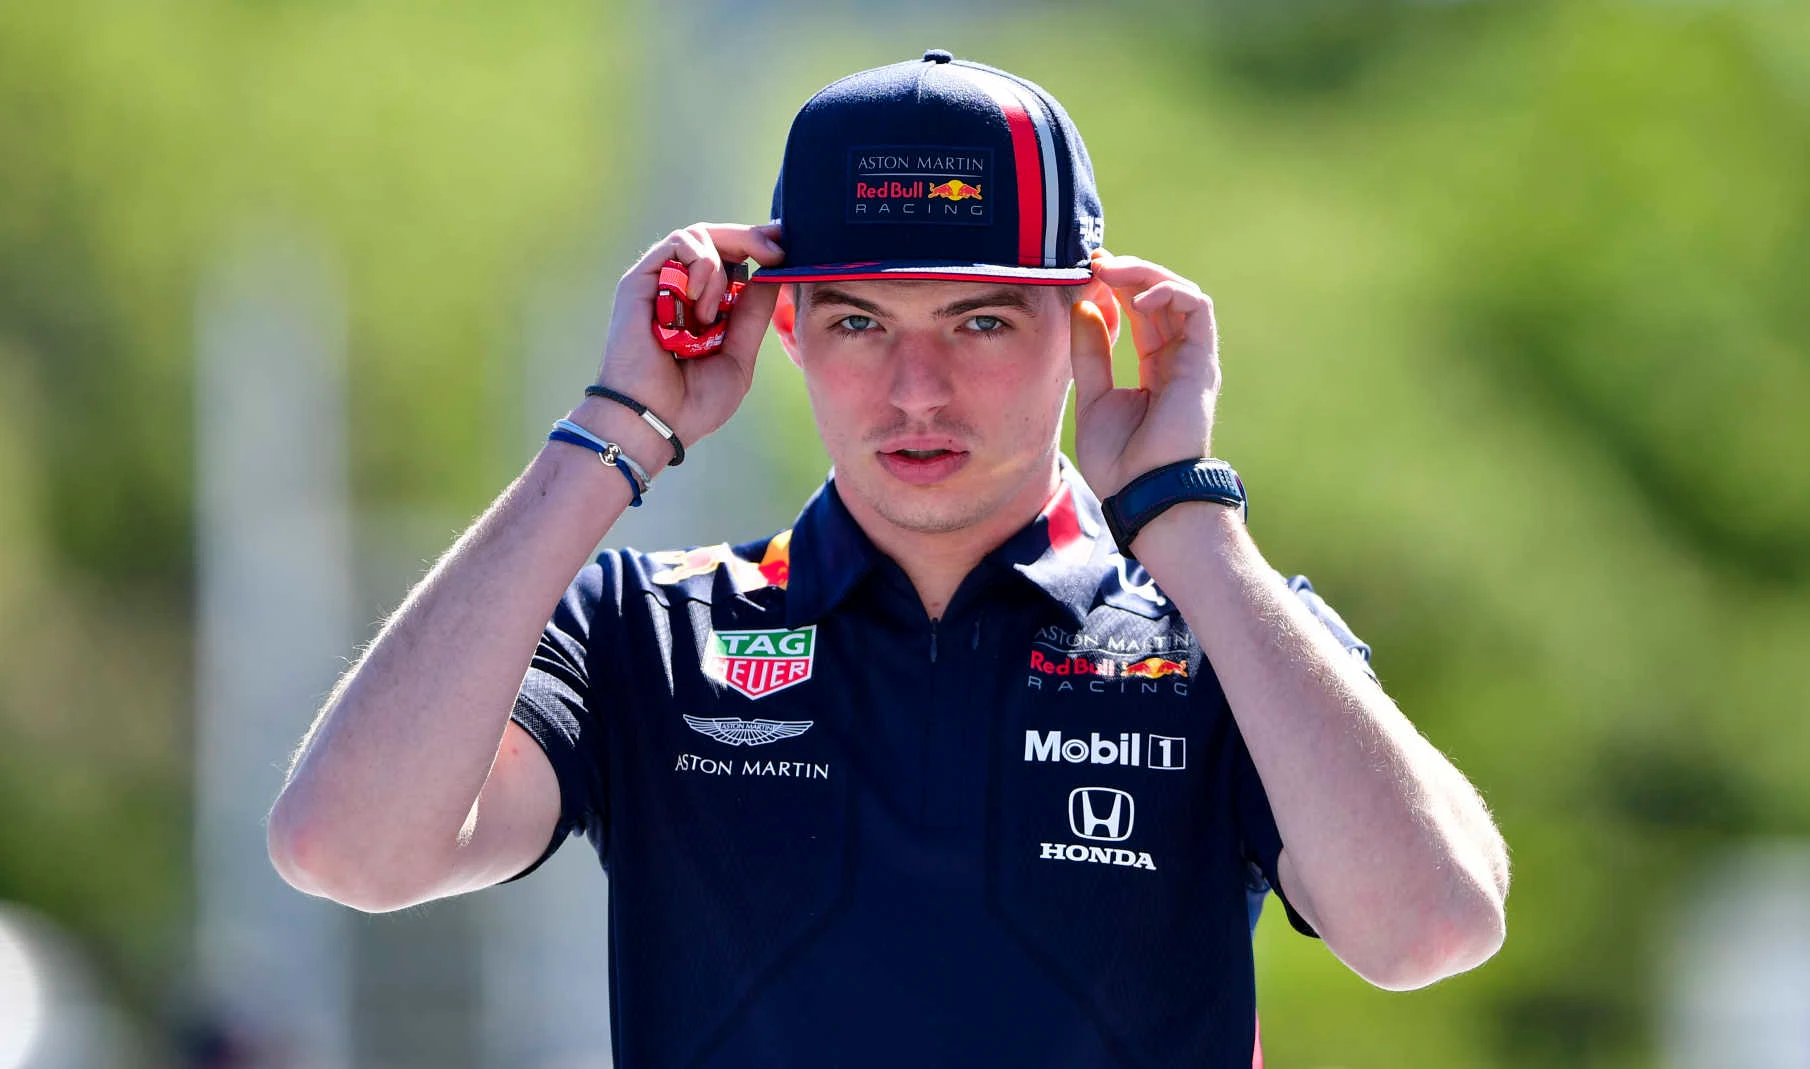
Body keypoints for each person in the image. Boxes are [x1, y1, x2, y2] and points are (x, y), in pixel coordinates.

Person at [267, 50, 1509, 1068]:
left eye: (979, 319)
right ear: (786, 330)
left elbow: (1431, 927)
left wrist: (1183, 514)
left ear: (1085, 329)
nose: (916, 389)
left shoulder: (1224, 633)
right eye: (860, 321)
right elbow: (347, 850)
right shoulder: (647, 628)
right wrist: (608, 433)